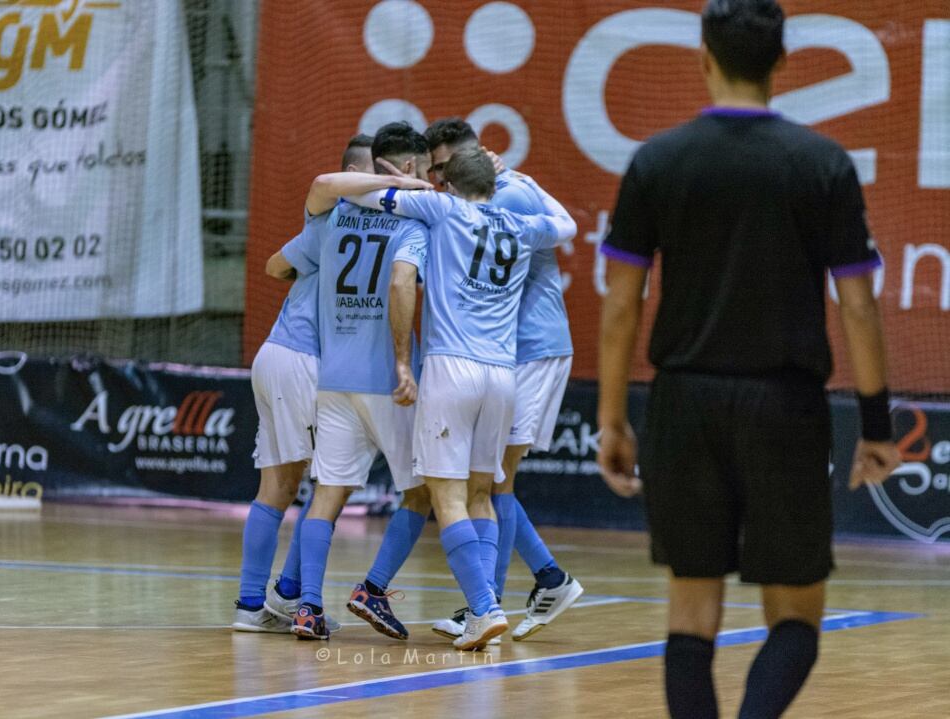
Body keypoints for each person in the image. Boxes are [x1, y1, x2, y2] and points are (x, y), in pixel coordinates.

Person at [596, 1, 901, 716]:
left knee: (691, 612)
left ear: (704, 55)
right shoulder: (822, 163)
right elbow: (859, 306)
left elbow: (620, 305)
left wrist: (613, 416)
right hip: (785, 408)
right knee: (796, 617)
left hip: (684, 402)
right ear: (783, 61)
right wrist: (878, 424)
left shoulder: (657, 160)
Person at [348, 147, 576, 650]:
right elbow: (565, 224)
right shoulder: (521, 225)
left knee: (446, 496)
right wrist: (523, 177)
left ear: (447, 184)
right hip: (502, 374)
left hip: (452, 369)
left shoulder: (441, 209)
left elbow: (366, 197)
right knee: (481, 494)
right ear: (495, 187)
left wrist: (409, 186)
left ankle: (484, 608)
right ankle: (487, 603)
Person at [269, 124, 433, 641]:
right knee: (424, 490)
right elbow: (402, 285)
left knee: (326, 495)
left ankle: (308, 609)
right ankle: (374, 588)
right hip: (385, 379)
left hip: (333, 377)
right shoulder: (415, 222)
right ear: (407, 170)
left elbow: (281, 264)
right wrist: (405, 363)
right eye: (424, 171)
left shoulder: (332, 217)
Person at [424, 118, 584, 642]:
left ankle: (487, 603)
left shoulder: (500, 198)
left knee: (493, 484)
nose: (437, 178)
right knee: (488, 483)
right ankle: (544, 579)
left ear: (473, 159)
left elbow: (564, 225)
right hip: (509, 354)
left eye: (444, 167)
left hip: (529, 349)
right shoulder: (499, 192)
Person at [232, 134, 376, 633]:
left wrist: (304, 271)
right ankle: (288, 597)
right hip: (302, 360)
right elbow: (277, 264)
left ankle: (255, 604)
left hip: (274, 352)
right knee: (322, 487)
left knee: (278, 486)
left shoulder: (324, 227)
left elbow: (275, 265)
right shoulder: (344, 220)